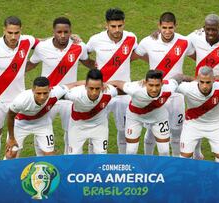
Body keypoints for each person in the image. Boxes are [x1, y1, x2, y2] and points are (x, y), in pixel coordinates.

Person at [131, 12, 192, 157]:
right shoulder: (148, 41)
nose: (167, 31)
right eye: (164, 27)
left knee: (177, 130)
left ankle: (176, 162)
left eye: (170, 27)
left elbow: (200, 54)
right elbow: (131, 56)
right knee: (152, 130)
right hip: (155, 93)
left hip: (176, 94)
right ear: (159, 26)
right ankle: (149, 161)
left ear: (176, 26)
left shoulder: (185, 42)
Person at [26, 17, 90, 155]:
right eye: (59, 32)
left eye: (66, 32)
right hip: (47, 96)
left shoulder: (79, 47)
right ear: (53, 32)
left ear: (71, 32)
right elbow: (30, 65)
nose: (62, 35)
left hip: (69, 97)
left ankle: (68, 161)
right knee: (41, 130)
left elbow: (88, 62)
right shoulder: (42, 47)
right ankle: (41, 160)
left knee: (71, 131)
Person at [0, 16, 39, 161]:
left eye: (16, 33)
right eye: (10, 32)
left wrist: (69, 39)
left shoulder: (27, 41)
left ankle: (7, 167)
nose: (13, 36)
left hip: (18, 99)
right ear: (4, 30)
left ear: (21, 31)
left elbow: (45, 43)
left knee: (14, 136)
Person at [187, 13, 219, 159]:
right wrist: (158, 34)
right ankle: (197, 154)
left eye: (214, 29)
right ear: (204, 28)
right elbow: (176, 41)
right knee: (196, 120)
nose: (211, 33)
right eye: (208, 29)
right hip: (200, 89)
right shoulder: (194, 37)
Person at [86, 8, 137, 154]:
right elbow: (83, 54)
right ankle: (92, 160)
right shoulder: (96, 39)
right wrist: (93, 66)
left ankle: (123, 160)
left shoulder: (131, 38)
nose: (117, 30)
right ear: (106, 25)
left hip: (123, 94)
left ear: (124, 24)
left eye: (120, 26)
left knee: (123, 129)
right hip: (102, 92)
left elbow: (138, 53)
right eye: (113, 26)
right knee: (96, 128)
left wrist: (124, 61)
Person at [109, 70, 192, 156]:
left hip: (159, 116)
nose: (154, 89)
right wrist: (103, 84)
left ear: (162, 83)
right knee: (131, 150)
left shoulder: (169, 87)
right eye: (151, 85)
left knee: (164, 150)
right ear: (145, 83)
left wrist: (196, 81)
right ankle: (132, 168)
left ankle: (163, 169)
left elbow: (179, 77)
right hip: (134, 117)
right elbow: (117, 82)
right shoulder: (135, 88)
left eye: (157, 85)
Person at [5, 77, 85, 159]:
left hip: (42, 124)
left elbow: (74, 84)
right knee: (10, 155)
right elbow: (10, 116)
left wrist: (96, 83)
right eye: (38, 93)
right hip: (21, 124)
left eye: (45, 93)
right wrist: (11, 138)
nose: (42, 97)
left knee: (50, 155)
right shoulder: (21, 100)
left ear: (50, 90)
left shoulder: (56, 93)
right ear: (33, 91)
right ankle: (6, 171)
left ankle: (45, 171)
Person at [178, 66, 219, 164]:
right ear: (197, 79)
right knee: (184, 158)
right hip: (192, 125)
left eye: (208, 82)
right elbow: (171, 82)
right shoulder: (187, 88)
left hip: (215, 126)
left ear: (214, 80)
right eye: (201, 82)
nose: (204, 86)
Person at [65, 69, 118, 155]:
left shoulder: (110, 91)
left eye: (97, 88)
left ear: (102, 86)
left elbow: (120, 88)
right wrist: (75, 83)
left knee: (101, 155)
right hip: (78, 126)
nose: (94, 92)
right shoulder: (75, 94)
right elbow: (59, 92)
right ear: (85, 86)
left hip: (99, 125)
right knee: (74, 156)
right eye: (91, 88)